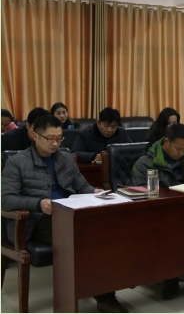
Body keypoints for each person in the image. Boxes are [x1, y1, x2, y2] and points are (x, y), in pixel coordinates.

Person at [1, 115, 126, 313]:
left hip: (69, 213)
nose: (55, 143)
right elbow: (5, 199)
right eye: (50, 138)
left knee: (106, 231)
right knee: (88, 238)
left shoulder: (65, 157)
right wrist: (38, 203)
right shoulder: (17, 162)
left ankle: (103, 289)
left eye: (59, 138)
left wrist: (94, 191)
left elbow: (81, 185)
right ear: (35, 135)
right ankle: (101, 298)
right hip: (37, 220)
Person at [132, 123, 184, 300]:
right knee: (169, 229)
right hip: (158, 213)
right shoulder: (146, 162)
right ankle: (170, 278)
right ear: (166, 142)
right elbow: (140, 194)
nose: (182, 153)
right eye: (178, 149)